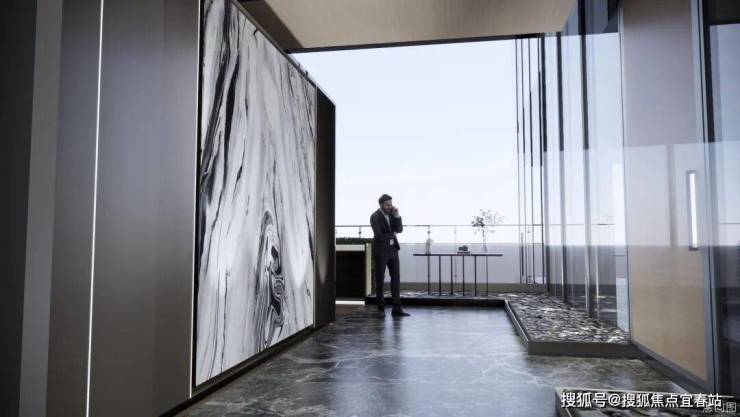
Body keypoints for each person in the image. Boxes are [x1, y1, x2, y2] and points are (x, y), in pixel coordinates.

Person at [370, 194, 410, 317]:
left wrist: (397, 215)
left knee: (396, 278)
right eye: (387, 205)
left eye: (390, 204)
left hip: (393, 250)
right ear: (381, 204)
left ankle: (397, 308)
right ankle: (381, 309)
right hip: (381, 250)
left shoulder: (392, 214)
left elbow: (400, 229)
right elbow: (379, 235)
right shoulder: (374, 216)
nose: (389, 207)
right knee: (380, 279)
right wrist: (392, 234)